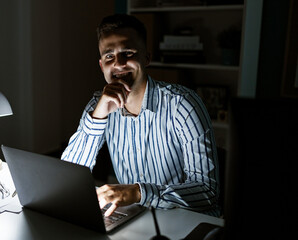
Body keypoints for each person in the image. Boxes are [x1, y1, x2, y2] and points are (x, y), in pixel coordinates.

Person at [61, 14, 220, 217]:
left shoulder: (183, 104)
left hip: (189, 222)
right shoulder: (98, 105)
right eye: (109, 56)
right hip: (136, 220)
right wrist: (97, 118)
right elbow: (67, 177)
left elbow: (208, 192)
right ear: (102, 66)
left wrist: (138, 192)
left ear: (146, 58)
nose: (118, 64)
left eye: (127, 53)